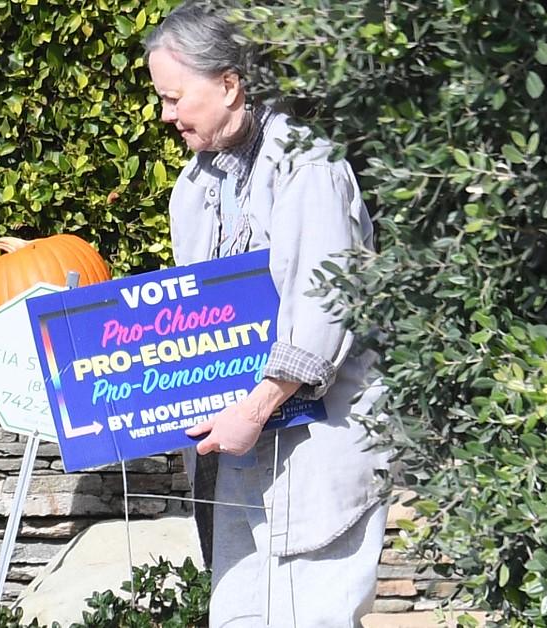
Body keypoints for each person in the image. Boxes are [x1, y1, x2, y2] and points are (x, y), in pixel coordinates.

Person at [144, 3, 390, 626]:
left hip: (317, 442)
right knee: (238, 616)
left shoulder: (309, 167)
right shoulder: (195, 186)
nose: (166, 114)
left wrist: (254, 408)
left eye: (175, 97)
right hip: (240, 448)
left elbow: (322, 311)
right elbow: (202, 324)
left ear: (229, 84)